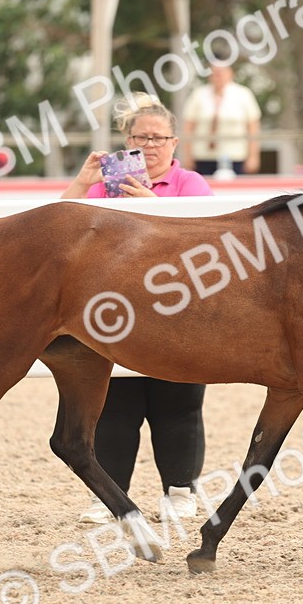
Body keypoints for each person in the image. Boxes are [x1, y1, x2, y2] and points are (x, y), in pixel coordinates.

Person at [62, 93, 213, 522]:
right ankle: (109, 495)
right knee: (114, 403)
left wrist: (154, 208)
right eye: (140, 138)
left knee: (179, 401)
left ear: (174, 142)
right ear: (127, 141)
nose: (149, 145)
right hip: (117, 307)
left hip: (178, 310)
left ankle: (180, 491)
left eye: (157, 138)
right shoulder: (103, 184)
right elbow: (57, 224)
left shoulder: (191, 185)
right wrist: (82, 182)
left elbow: (209, 239)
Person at [181, 62, 262, 176]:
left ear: (230, 73)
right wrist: (187, 156)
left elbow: (253, 128)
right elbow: (188, 127)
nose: (218, 76)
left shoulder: (243, 94)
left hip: (235, 156)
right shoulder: (199, 94)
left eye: (221, 72)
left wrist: (253, 156)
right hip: (203, 157)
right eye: (215, 73)